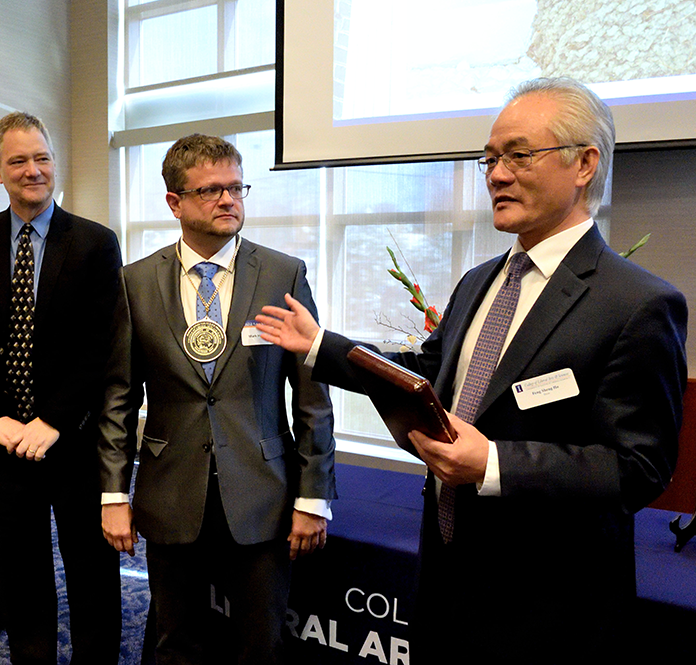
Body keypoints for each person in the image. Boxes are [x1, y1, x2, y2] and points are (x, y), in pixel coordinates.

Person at [255, 77, 688, 663]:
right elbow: (426, 374)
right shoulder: (478, 281)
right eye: (490, 158)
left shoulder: (637, 303)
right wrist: (320, 347)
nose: (496, 174)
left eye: (518, 155)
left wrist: (493, 464)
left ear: (584, 164)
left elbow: (639, 469)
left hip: (548, 607)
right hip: (447, 578)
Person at [98, 134, 337, 665]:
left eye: (236, 187)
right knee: (175, 643)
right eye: (210, 190)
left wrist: (313, 496)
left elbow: (312, 397)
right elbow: (118, 396)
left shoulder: (282, 274)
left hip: (262, 495)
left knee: (261, 643)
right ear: (174, 202)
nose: (229, 200)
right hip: (169, 492)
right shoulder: (135, 282)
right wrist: (113, 495)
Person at [0, 112, 123, 665]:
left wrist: (54, 421)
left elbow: (100, 348)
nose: (33, 170)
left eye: (41, 158)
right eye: (18, 160)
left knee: (91, 572)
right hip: (3, 445)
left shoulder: (95, 243)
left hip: (74, 441)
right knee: (21, 575)